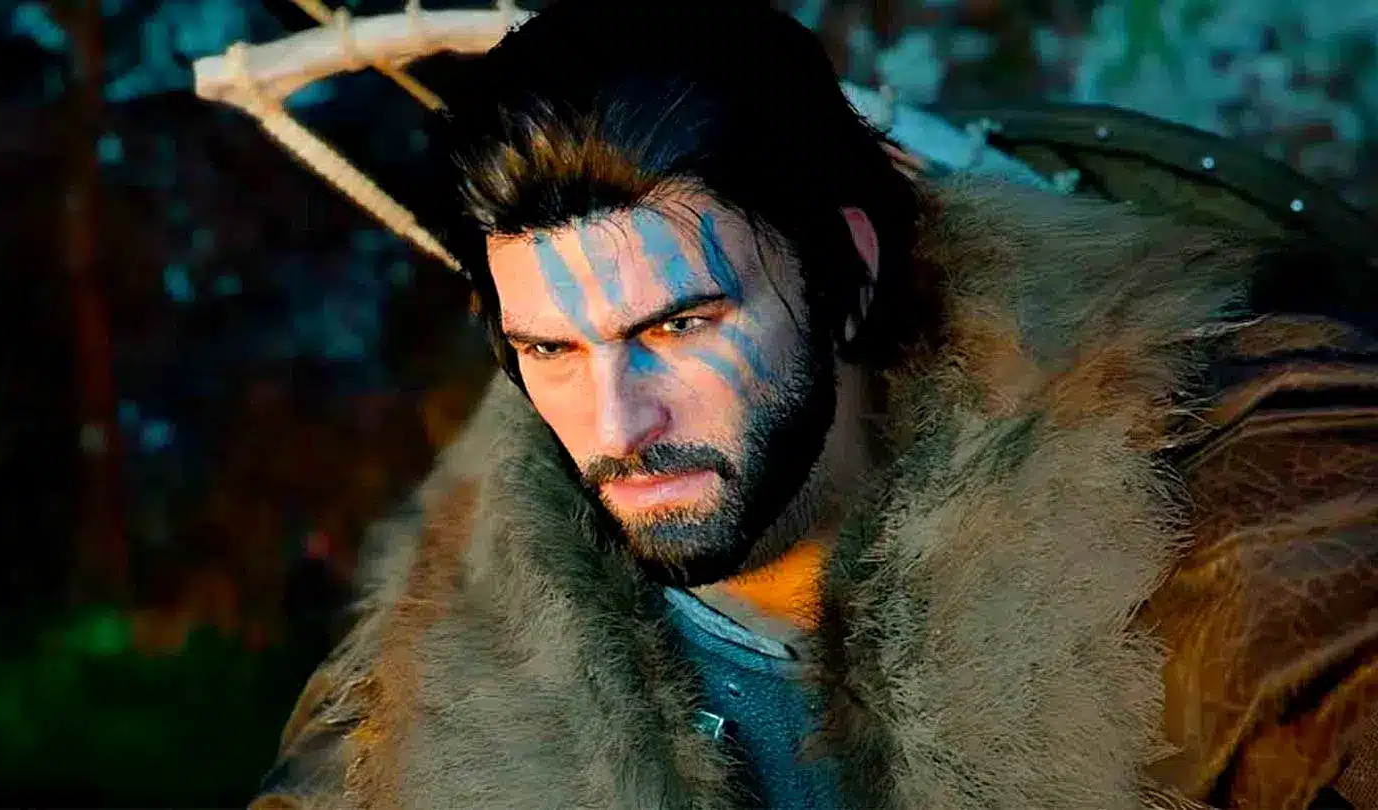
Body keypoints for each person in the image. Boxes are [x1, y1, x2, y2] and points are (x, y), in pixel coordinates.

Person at [250, 0, 1378, 807]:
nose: (616, 427)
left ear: (848, 272)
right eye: (551, 349)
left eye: (678, 327)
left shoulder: (1196, 490)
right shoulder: (427, 692)